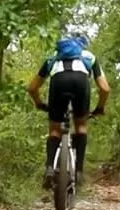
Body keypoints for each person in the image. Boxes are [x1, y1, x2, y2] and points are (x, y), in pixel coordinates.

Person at [27, 32, 111, 190]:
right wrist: (99, 108)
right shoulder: (89, 57)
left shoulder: (53, 57)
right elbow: (105, 89)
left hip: (58, 82)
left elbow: (32, 88)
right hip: (80, 82)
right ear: (82, 44)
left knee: (55, 129)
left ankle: (49, 168)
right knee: (81, 126)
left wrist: (39, 103)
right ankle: (79, 171)